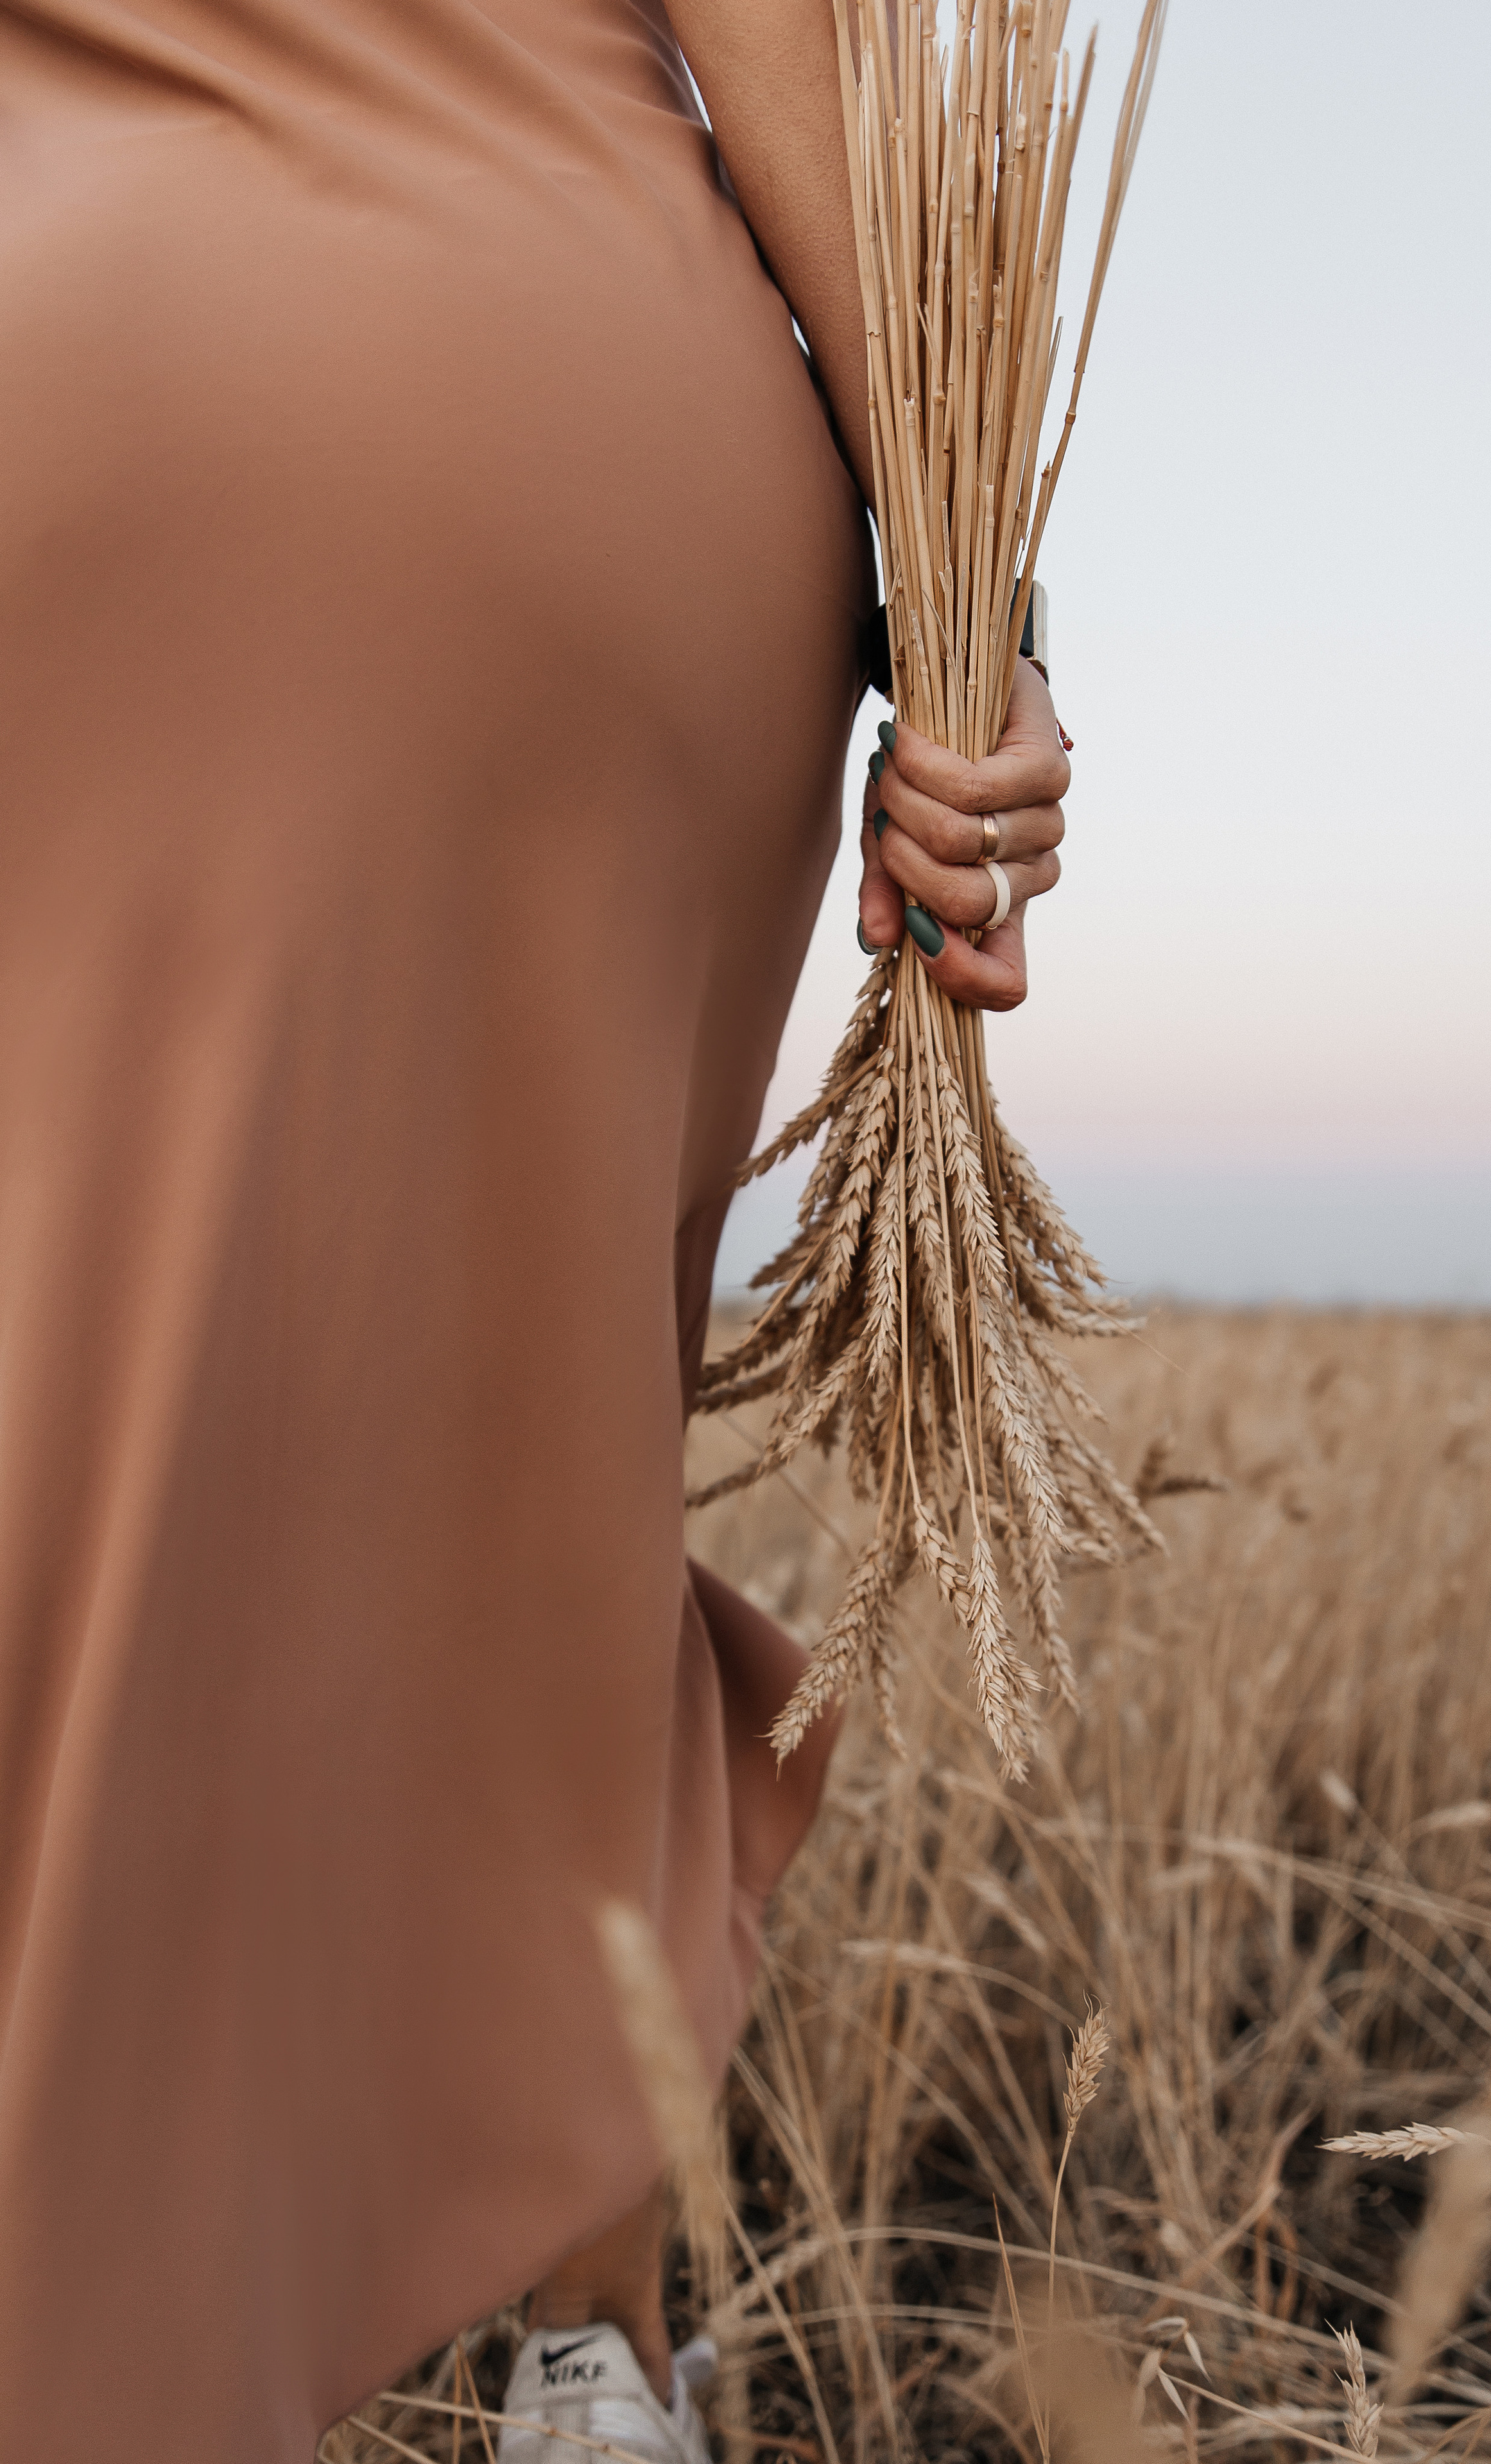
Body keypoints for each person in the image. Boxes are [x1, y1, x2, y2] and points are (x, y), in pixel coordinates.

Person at [0, 2, 1071, 2458]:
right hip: (518, 404)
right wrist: (978, 607)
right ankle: (596, 2367)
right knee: (533, 1447)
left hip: (50, 394)